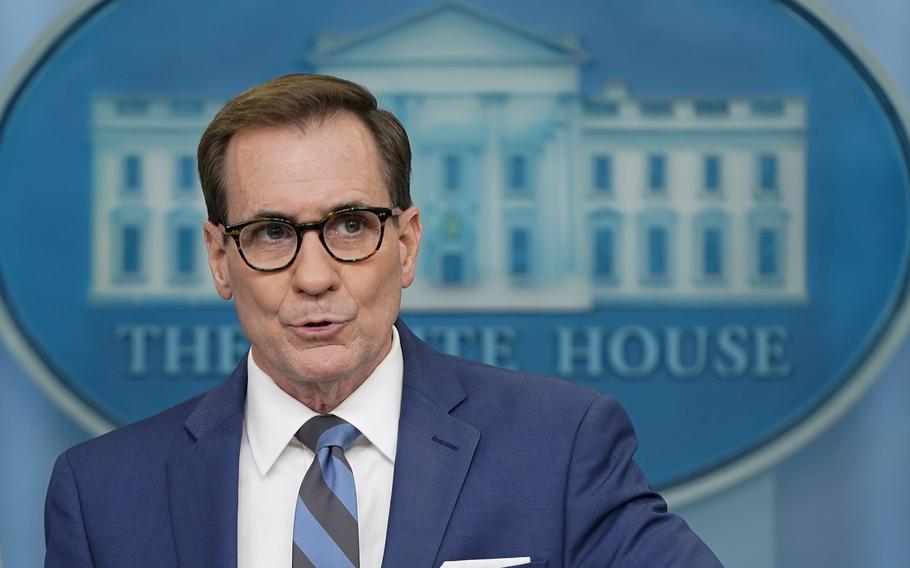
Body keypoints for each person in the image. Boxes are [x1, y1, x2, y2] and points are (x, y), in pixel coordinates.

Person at [44, 73, 722, 568]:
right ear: (222, 259)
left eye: (349, 224)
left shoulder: (561, 449)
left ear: (406, 244)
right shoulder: (101, 496)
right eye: (272, 232)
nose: (315, 276)